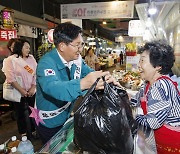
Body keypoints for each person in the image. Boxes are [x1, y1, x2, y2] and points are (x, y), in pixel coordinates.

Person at [35, 22, 116, 144]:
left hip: (67, 115)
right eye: (77, 45)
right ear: (62, 46)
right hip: (49, 121)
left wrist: (105, 77)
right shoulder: (46, 63)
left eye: (82, 44)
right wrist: (82, 84)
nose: (81, 49)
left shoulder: (76, 59)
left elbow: (89, 72)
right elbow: (53, 88)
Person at [130, 41, 180, 154]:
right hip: (162, 141)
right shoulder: (148, 84)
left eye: (142, 60)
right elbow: (135, 99)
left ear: (158, 66)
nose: (139, 65)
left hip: (173, 143)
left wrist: (135, 117)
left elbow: (154, 121)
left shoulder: (160, 86)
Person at [3, 39, 37, 140]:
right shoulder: (10, 60)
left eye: (29, 48)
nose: (29, 49)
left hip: (31, 91)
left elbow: (36, 73)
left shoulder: (31, 58)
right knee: (20, 113)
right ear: (19, 47)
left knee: (34, 111)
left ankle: (34, 129)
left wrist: (33, 87)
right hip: (18, 91)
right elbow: (11, 78)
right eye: (26, 47)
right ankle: (23, 133)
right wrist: (22, 91)